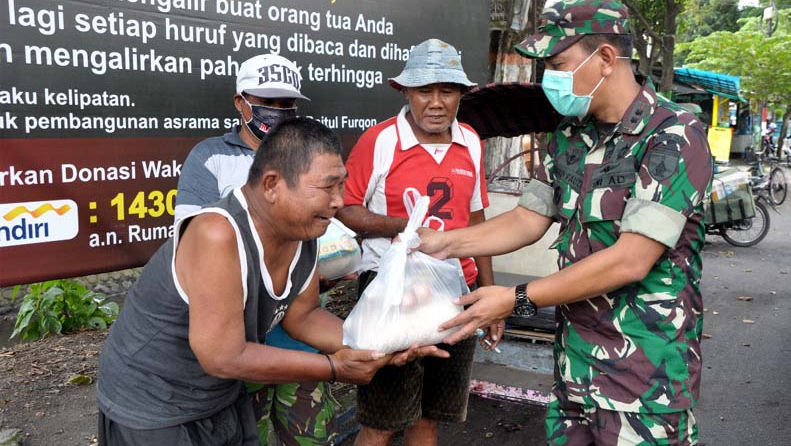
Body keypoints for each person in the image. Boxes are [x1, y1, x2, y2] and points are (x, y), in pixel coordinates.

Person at [416, 0, 713, 445]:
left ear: (607, 60)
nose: (548, 78)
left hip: (644, 380)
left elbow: (630, 260)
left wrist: (514, 299)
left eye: (558, 64)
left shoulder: (674, 136)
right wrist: (439, 244)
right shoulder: (571, 136)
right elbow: (526, 218)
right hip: (574, 370)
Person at [97, 118, 446, 446]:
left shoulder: (302, 231)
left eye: (341, 185)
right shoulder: (218, 233)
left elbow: (303, 316)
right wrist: (334, 368)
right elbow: (223, 355)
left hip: (218, 396)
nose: (339, 202)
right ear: (272, 185)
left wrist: (382, 342)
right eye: (328, 187)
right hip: (151, 405)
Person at [336, 38, 500, 446]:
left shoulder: (471, 144)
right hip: (392, 292)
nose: (436, 102)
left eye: (447, 90)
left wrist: (488, 291)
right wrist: (406, 227)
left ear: (461, 94)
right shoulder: (380, 141)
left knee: (429, 417)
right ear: (405, 92)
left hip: (455, 296)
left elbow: (477, 222)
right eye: (425, 91)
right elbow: (345, 208)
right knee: (382, 419)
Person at [173, 53, 341, 446]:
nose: (278, 112)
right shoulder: (210, 157)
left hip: (298, 327)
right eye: (268, 102)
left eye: (287, 105)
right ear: (240, 102)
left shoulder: (309, 160)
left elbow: (323, 228)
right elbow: (194, 247)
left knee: (311, 435)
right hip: (239, 338)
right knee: (252, 432)